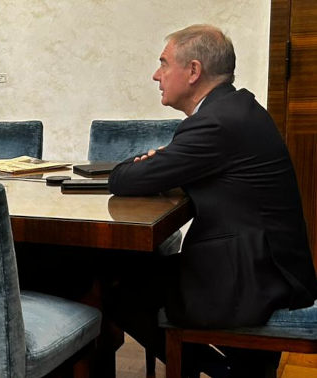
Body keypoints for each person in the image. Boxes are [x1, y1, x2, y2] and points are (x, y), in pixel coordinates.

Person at [106, 25, 317, 377]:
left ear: (193, 71)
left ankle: (216, 372)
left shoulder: (216, 123)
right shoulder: (235, 109)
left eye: (164, 63)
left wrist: (149, 162)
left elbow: (124, 179)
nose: (156, 75)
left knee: (115, 288)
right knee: (132, 275)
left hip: (253, 279)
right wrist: (161, 161)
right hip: (268, 264)